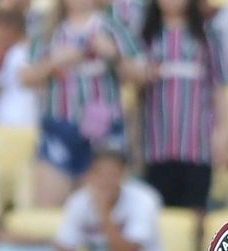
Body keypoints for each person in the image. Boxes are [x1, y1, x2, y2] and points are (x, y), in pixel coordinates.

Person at [21, 0, 143, 207]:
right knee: (48, 207)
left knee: (98, 210)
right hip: (59, 129)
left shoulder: (112, 26)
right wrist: (54, 63)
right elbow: (25, 77)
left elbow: (139, 75)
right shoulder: (48, 28)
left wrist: (112, 55)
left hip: (103, 133)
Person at [138, 0, 228, 213]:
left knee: (194, 212)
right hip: (156, 144)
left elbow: (219, 87)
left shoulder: (207, 34)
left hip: (197, 144)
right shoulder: (146, 35)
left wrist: (223, 133)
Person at [54, 149, 174, 251]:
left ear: (124, 175)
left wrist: (103, 212)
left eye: (112, 174)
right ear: (89, 175)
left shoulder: (143, 200)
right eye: (100, 174)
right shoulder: (78, 202)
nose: (106, 181)